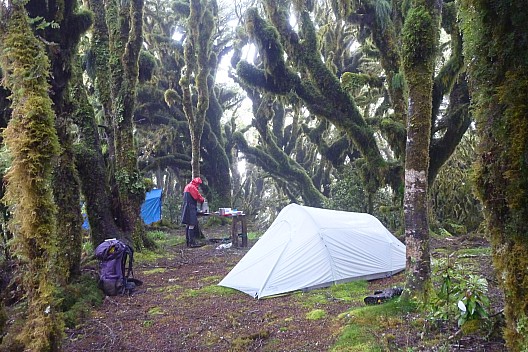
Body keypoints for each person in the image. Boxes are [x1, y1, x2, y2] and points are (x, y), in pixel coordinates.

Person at [181, 177, 206, 247]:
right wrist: (202, 200)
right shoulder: (192, 187)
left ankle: (188, 242)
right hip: (190, 207)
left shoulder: (187, 186)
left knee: (188, 224)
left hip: (186, 206)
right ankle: (192, 243)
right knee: (192, 224)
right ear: (197, 183)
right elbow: (197, 197)